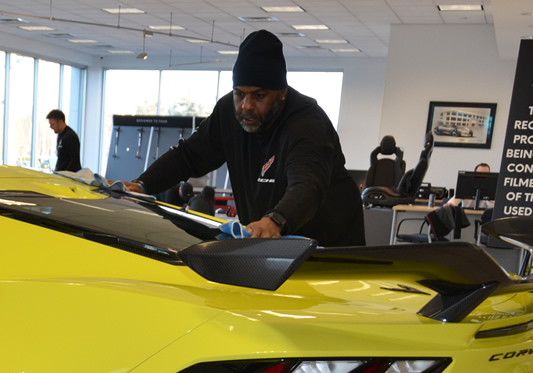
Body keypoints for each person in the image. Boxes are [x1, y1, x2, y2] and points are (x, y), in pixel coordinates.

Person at [123, 30, 363, 246]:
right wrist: (142, 185)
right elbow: (188, 156)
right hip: (269, 243)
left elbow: (307, 185)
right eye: (240, 94)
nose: (246, 106)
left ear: (282, 94)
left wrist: (275, 220)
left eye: (259, 95)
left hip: (330, 247)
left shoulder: (306, 123)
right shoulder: (228, 111)